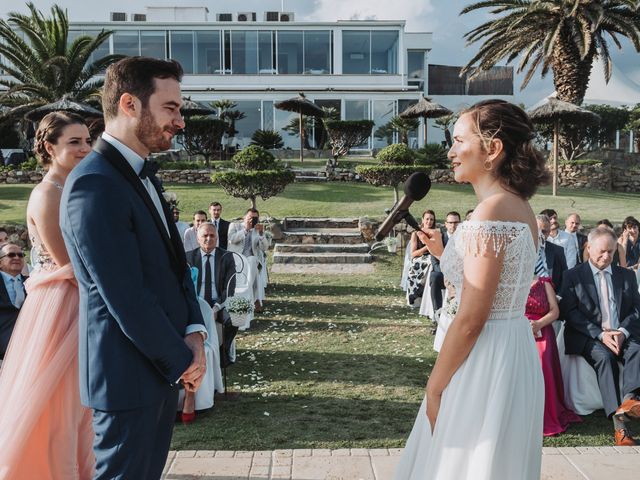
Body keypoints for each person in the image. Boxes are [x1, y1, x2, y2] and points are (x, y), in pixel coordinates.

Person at [60, 57, 207, 480]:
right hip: (127, 378)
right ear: (129, 103)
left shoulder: (140, 174)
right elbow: (124, 295)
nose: (180, 122)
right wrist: (183, 360)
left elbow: (176, 269)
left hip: (158, 370)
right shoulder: (94, 183)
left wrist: (195, 332)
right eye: (171, 109)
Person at [396, 99, 548, 480]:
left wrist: (434, 386)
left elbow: (472, 318)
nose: (450, 152)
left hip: (484, 358)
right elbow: (497, 284)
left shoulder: (489, 214)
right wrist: (444, 252)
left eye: (460, 140)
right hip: (513, 349)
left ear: (492, 149)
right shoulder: (520, 207)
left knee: (460, 463)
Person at [0, 112, 95, 479]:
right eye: (74, 142)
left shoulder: (73, 186)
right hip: (61, 304)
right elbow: (68, 263)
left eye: (87, 141)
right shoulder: (46, 194)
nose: (85, 148)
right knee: (59, 403)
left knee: (81, 405)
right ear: (49, 147)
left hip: (79, 297)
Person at [559, 226, 640, 446]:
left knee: (637, 349)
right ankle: (620, 426)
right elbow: (570, 312)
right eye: (602, 251)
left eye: (611, 252)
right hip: (589, 335)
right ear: (589, 247)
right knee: (604, 358)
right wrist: (601, 335)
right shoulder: (573, 276)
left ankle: (629, 401)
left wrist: (622, 332)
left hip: (620, 332)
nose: (606, 257)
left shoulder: (626, 275)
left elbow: (636, 309)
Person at [526, 275, 582, 436]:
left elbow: (555, 311)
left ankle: (546, 413)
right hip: (518, 329)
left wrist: (538, 324)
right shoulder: (508, 282)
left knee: (542, 358)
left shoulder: (544, 282)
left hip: (542, 328)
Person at [186, 223, 237, 369]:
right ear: (198, 238)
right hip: (195, 303)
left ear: (217, 238)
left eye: (212, 235)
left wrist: (216, 307)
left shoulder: (227, 257)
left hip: (218, 303)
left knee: (233, 319)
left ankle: (222, 352)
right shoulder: (188, 258)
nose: (209, 238)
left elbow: (230, 287)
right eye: (205, 235)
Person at [228, 208, 271, 312]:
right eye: (250, 217)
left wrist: (261, 234)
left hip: (252, 261)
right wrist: (245, 230)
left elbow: (265, 247)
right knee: (254, 271)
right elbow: (232, 239)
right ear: (244, 218)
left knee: (252, 260)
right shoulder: (234, 226)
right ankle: (255, 299)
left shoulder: (258, 230)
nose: (252, 220)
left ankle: (246, 294)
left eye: (255, 218)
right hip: (236, 260)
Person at [0, 244, 27, 363]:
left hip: (28, 350)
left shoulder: (33, 283)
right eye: (11, 255)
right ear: (0, 262)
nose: (17, 257)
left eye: (20, 255)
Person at [406, 210, 436, 306]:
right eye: (427, 219)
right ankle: (418, 291)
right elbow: (413, 254)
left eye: (431, 219)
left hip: (432, 256)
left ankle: (423, 292)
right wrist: (427, 246)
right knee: (427, 263)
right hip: (419, 258)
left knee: (432, 263)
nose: (429, 221)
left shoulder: (436, 233)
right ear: (423, 220)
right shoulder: (416, 233)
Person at [537, 214, 568, 290]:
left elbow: (564, 278)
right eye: (537, 230)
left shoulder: (558, 251)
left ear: (549, 232)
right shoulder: (523, 250)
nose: (540, 234)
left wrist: (558, 297)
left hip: (551, 297)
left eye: (544, 231)